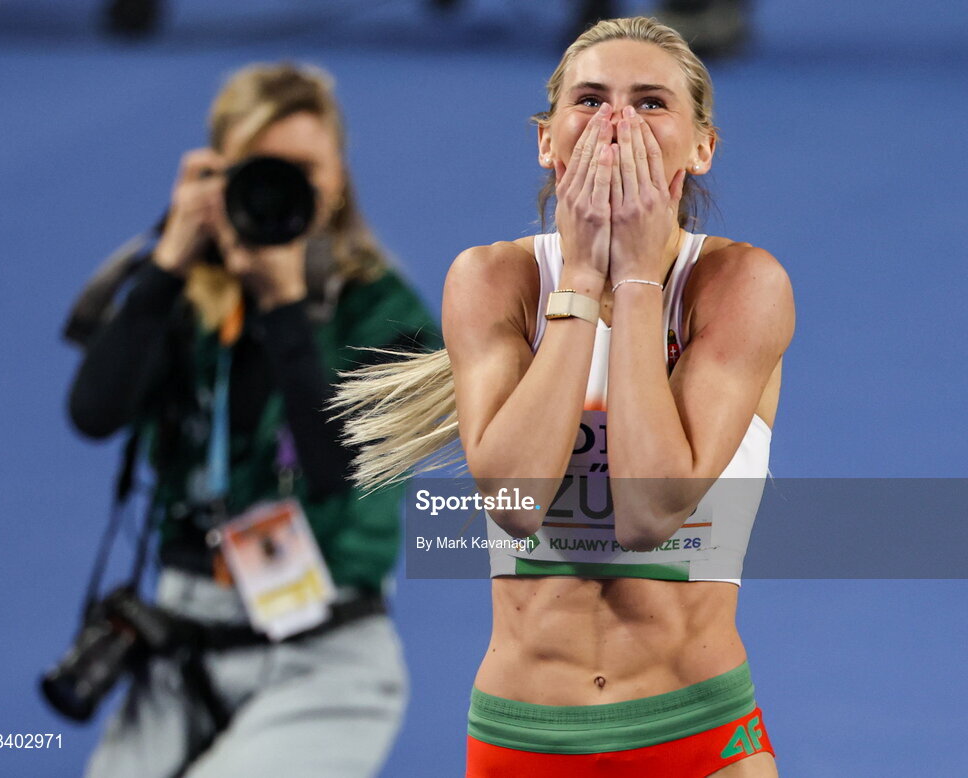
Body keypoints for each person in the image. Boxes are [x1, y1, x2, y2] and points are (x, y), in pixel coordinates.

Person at [333, 17, 794, 777]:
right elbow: (515, 499)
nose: (616, 123)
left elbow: (649, 513)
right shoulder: (491, 281)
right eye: (591, 99)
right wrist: (581, 280)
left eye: (650, 103)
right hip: (523, 740)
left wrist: (639, 278)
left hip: (698, 733)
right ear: (547, 140)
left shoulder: (741, 286)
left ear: (701, 147)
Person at [67, 62, 439, 778]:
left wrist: (286, 309)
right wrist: (169, 263)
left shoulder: (391, 315)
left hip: (324, 656)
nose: (286, 185)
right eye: (259, 168)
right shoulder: (181, 298)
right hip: (179, 648)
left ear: (339, 178)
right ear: (217, 177)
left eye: (305, 166)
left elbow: (338, 470)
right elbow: (93, 413)